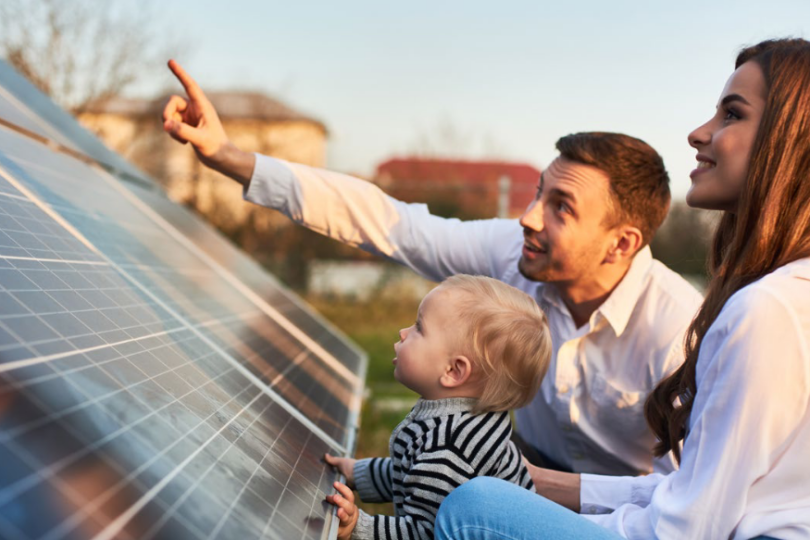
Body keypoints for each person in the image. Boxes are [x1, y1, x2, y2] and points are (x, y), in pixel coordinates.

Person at [162, 61, 703, 476]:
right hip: (523, 466)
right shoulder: (514, 254)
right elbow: (388, 222)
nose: (529, 217)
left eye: (561, 207)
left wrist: (532, 492)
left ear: (620, 243)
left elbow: (685, 501)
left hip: (626, 514)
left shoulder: (679, 331)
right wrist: (229, 156)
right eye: (540, 192)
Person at [432, 38, 810, 540]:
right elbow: (695, 490)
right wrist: (535, 483)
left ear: (790, 142)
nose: (699, 133)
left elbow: (685, 528)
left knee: (472, 508)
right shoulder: (783, 294)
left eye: (731, 115)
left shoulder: (764, 311)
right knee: (495, 491)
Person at [321, 274, 552, 539]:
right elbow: (411, 475)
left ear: (454, 371)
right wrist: (357, 474)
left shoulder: (448, 451)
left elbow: (425, 533)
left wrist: (358, 526)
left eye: (419, 327)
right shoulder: (465, 418)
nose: (403, 332)